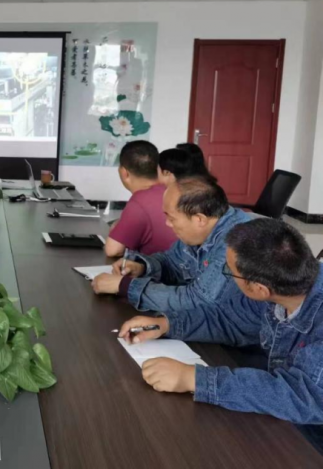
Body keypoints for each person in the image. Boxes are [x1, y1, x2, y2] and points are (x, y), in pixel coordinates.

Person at [116, 218, 323, 427]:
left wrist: (195, 379)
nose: (228, 275)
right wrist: (166, 324)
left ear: (259, 289)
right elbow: (229, 318)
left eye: (230, 271)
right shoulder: (284, 285)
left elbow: (302, 396)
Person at [92, 175, 251, 313]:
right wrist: (142, 267)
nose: (167, 223)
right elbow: (171, 261)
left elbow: (198, 302)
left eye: (171, 218)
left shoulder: (237, 243)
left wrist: (126, 287)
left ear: (199, 219)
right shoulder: (200, 231)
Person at [106, 140, 177, 258]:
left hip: (163, 268)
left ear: (124, 173)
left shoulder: (139, 202)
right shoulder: (174, 190)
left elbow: (113, 250)